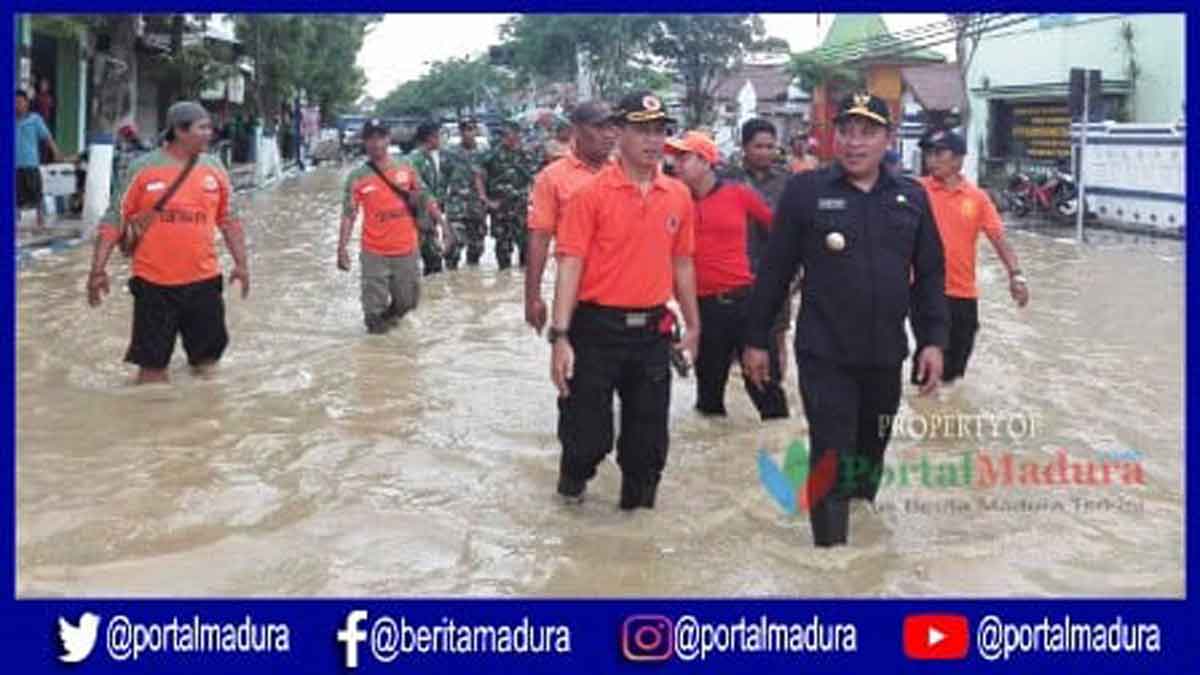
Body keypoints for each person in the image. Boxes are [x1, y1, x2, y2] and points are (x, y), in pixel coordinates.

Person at [743, 93, 949, 547]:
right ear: (833, 136)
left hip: (885, 355)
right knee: (831, 457)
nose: (855, 143)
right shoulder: (807, 191)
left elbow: (930, 274)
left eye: (868, 132)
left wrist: (933, 341)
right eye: (846, 131)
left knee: (869, 462)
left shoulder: (910, 197)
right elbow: (775, 269)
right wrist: (756, 340)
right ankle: (832, 566)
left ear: (888, 139)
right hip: (824, 352)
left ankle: (864, 559)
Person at [548, 90, 700, 510]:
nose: (653, 141)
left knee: (647, 448)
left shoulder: (678, 196)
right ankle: (570, 500)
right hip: (595, 330)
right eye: (642, 131)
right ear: (619, 134)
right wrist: (560, 337)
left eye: (659, 131)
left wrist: (694, 325)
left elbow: (683, 264)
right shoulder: (589, 195)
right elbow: (570, 266)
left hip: (653, 333)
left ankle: (637, 541)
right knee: (585, 440)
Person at [86, 101, 250, 384]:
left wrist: (242, 264)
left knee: (208, 366)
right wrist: (97, 270)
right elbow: (113, 218)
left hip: (204, 282)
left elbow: (229, 220)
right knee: (151, 371)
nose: (210, 133)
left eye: (209, 127)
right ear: (179, 131)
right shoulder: (143, 168)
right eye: (203, 128)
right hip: (153, 285)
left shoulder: (215, 169)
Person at [665, 131, 788, 420]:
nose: (677, 163)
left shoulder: (739, 194)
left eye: (685, 157)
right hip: (703, 309)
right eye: (676, 157)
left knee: (764, 385)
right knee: (708, 397)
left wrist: (778, 277)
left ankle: (780, 449)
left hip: (747, 302)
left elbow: (781, 234)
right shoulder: (672, 200)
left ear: (707, 161)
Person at [912, 129, 1029, 385]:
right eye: (928, 153)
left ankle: (943, 421)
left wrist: (1016, 276)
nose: (931, 159)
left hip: (963, 294)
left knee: (953, 375)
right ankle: (925, 415)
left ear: (958, 159)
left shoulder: (977, 199)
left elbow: (999, 239)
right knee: (927, 369)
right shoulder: (916, 191)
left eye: (938, 152)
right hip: (925, 293)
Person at [339, 119, 451, 334]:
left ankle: (390, 325)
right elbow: (348, 214)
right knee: (373, 316)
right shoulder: (357, 177)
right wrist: (341, 248)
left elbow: (426, 197)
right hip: (374, 253)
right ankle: (378, 353)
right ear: (364, 142)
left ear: (388, 139)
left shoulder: (406, 168)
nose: (376, 143)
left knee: (408, 303)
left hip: (406, 250)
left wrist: (443, 225)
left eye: (380, 137)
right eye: (370, 138)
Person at [524, 101, 618, 332]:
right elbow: (540, 238)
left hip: (628, 293)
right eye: (599, 127)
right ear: (576, 130)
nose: (609, 135)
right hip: (579, 296)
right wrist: (532, 297)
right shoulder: (552, 178)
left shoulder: (626, 172)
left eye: (612, 127)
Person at [721, 118, 795, 379]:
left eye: (770, 146)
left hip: (775, 272)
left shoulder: (789, 182)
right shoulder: (725, 179)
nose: (765, 152)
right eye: (758, 146)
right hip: (732, 272)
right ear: (744, 147)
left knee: (776, 335)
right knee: (728, 341)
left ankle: (776, 389)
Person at [481, 120, 536, 270]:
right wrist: (485, 199)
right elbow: (478, 175)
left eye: (509, 133)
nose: (506, 137)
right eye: (504, 134)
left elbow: (536, 178)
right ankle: (503, 279)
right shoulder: (492, 154)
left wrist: (533, 199)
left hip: (521, 207)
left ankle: (521, 282)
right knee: (502, 247)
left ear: (517, 135)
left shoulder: (526, 154)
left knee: (526, 245)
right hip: (500, 208)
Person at [442, 117, 490, 268]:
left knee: (477, 249)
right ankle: (451, 282)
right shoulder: (450, 154)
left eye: (471, 129)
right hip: (457, 208)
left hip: (477, 208)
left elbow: (491, 178)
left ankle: (472, 284)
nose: (467, 133)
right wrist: (439, 203)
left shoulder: (484, 154)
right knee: (453, 248)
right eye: (464, 129)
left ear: (476, 130)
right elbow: (443, 179)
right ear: (460, 132)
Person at [16, 89, 63, 231]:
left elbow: (47, 137)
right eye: (14, 102)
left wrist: (56, 152)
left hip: (30, 163)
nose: (17, 105)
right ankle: (15, 222)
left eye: (20, 102)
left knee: (36, 194)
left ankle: (40, 221)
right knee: (15, 196)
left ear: (26, 103)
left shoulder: (35, 119)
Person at [406, 121, 449, 275]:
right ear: (430, 138)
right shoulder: (415, 159)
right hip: (418, 221)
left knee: (434, 265)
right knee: (416, 265)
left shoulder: (428, 158)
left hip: (428, 220)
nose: (441, 140)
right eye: (439, 136)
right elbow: (421, 193)